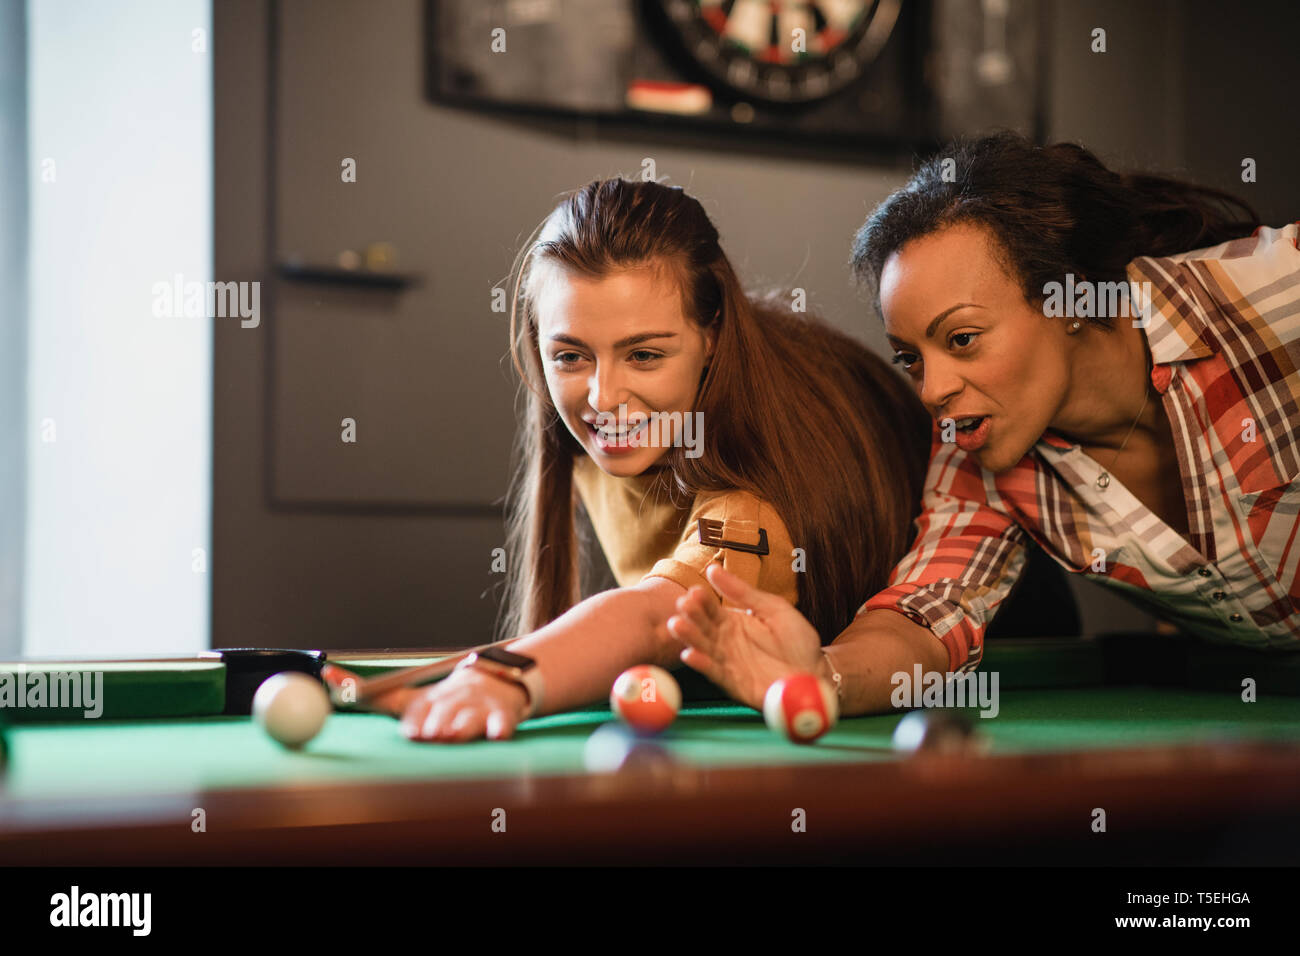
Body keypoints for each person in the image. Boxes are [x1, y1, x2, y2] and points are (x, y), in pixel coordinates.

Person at [668, 132, 1300, 716]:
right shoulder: (977, 451)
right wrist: (823, 673)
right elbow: (925, 612)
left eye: (963, 338)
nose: (933, 390)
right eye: (912, 358)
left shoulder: (1269, 292)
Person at [373, 177, 935, 740]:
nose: (603, 398)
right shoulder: (605, 426)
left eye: (643, 355)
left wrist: (508, 678)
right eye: (570, 355)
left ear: (712, 336)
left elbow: (656, 616)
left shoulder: (753, 498)